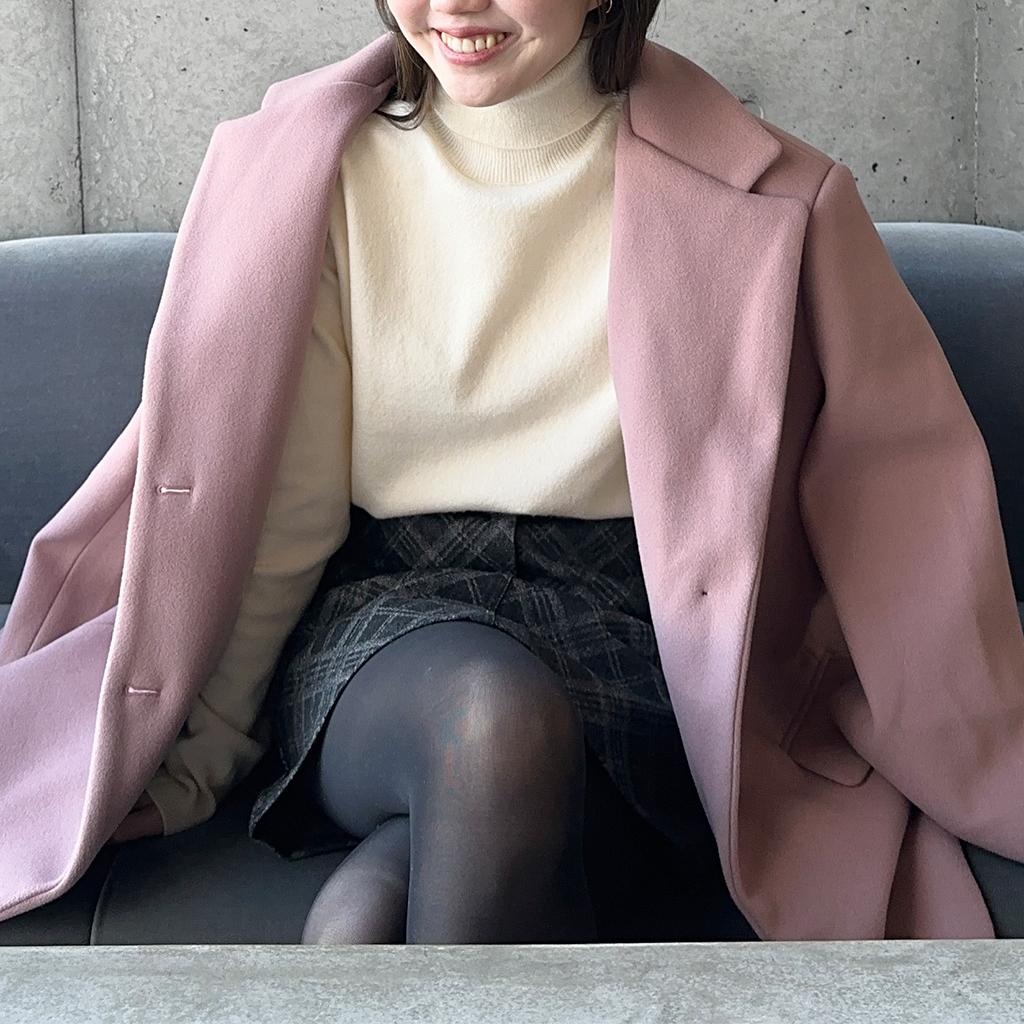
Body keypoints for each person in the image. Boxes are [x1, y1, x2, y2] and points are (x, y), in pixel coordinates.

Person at [10, 0, 1022, 941]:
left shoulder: (780, 197)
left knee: (369, 918)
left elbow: (895, 506)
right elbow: (282, 513)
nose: (456, 5)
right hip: (392, 624)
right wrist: (203, 752)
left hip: (643, 638)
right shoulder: (315, 173)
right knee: (489, 720)